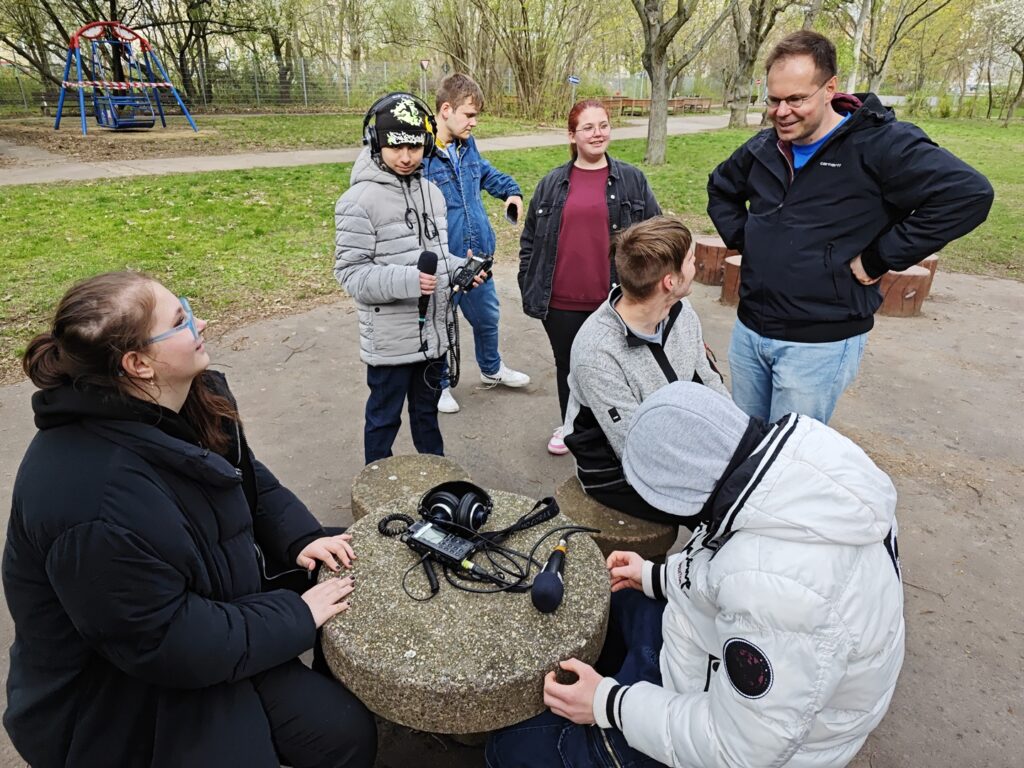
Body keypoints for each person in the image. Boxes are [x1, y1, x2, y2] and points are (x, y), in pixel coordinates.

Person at [3, 272, 377, 768]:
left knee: (344, 718)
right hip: (125, 699)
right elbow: (166, 642)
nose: (199, 321)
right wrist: (297, 617)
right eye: (179, 320)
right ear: (137, 364)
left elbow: (241, 474)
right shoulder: (94, 506)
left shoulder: (182, 398)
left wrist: (299, 537)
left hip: (209, 611)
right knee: (336, 736)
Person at [487, 381, 905, 768]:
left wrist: (608, 703)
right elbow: (725, 559)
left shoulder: (780, 592)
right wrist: (656, 576)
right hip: (726, 657)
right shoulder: (781, 473)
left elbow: (738, 749)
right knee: (617, 603)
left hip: (758, 742)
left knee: (507, 751)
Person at [707, 30, 993, 425]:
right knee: (745, 443)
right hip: (751, 329)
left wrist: (879, 258)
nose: (782, 112)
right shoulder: (763, 148)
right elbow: (720, 188)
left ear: (830, 88)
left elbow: (968, 195)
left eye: (796, 99)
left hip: (819, 342)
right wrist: (746, 240)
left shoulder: (880, 145)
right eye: (774, 100)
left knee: (793, 458)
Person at [334, 92, 479, 464]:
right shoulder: (357, 201)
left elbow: (434, 259)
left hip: (433, 336)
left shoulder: (432, 193)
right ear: (376, 143)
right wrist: (410, 282)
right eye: (396, 146)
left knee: (427, 418)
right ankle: (375, 486)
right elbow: (351, 274)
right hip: (390, 343)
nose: (406, 156)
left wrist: (460, 270)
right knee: (383, 420)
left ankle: (437, 481)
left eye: (414, 145)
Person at [562, 216, 728, 526]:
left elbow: (706, 378)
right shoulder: (597, 352)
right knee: (722, 513)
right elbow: (634, 448)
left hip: (675, 438)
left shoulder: (680, 310)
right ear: (670, 281)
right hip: (615, 471)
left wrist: (737, 438)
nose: (696, 266)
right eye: (691, 260)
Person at [519, 98, 661, 455]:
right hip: (561, 301)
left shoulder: (632, 180)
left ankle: (621, 433)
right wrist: (527, 280)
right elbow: (530, 239)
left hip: (617, 300)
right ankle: (572, 428)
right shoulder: (552, 184)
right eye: (588, 127)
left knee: (622, 368)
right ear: (572, 135)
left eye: (603, 125)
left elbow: (657, 232)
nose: (598, 133)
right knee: (570, 367)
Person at [422, 73, 530, 414]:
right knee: (439, 325)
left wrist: (511, 190)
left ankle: (491, 369)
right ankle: (437, 386)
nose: (474, 122)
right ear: (445, 110)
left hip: (477, 256)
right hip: (443, 261)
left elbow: (484, 172)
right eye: (469, 115)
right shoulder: (420, 155)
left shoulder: (466, 146)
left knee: (487, 317)